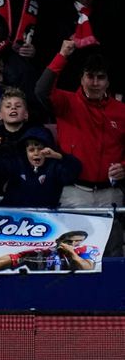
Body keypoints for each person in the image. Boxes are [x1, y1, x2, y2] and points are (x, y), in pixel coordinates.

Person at [35, 39, 125, 256]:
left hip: (110, 194)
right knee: (73, 255)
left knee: (112, 254)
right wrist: (62, 55)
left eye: (100, 77)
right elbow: (41, 91)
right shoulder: (67, 102)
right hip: (74, 193)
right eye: (90, 76)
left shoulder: (121, 110)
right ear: (81, 78)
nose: (94, 83)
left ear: (108, 82)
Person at [0, 125, 81, 208]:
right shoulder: (16, 164)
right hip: (16, 216)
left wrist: (59, 156)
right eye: (31, 150)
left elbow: (74, 172)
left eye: (40, 149)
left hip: (46, 217)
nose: (36, 153)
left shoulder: (55, 167)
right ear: (25, 152)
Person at [0, 230, 98, 272]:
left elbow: (87, 268)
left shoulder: (87, 250)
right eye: (69, 241)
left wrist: (72, 253)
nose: (73, 244)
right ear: (58, 241)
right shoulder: (38, 253)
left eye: (78, 241)